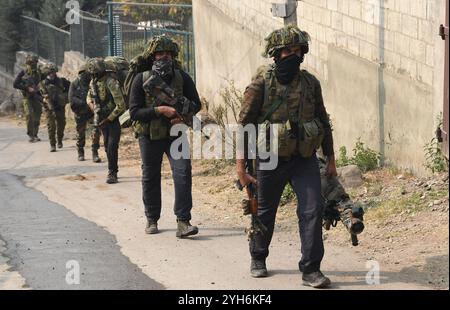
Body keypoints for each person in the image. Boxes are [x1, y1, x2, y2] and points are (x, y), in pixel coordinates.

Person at [236, 25, 337, 288]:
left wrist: (331, 159)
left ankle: (311, 269)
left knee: (313, 208)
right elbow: (244, 125)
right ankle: (258, 256)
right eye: (286, 51)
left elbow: (323, 122)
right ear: (275, 54)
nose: (293, 55)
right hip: (268, 158)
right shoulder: (260, 85)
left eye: (297, 50)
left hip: (303, 158)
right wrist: (241, 167)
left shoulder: (310, 84)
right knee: (266, 211)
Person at [129, 35, 201, 238]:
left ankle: (183, 221)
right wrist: (159, 110)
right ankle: (152, 218)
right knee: (150, 176)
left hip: (175, 134)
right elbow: (134, 112)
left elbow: (196, 104)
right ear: (153, 56)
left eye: (168, 54)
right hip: (149, 136)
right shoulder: (141, 79)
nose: (164, 57)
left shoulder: (182, 77)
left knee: (183, 172)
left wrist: (182, 117)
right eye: (160, 53)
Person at [86, 58, 126, 184]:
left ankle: (112, 172)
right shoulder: (93, 83)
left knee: (112, 146)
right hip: (101, 118)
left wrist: (109, 119)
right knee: (107, 147)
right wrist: (94, 109)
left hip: (112, 119)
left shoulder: (111, 82)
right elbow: (88, 98)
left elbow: (121, 105)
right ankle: (112, 168)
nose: (94, 75)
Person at [69, 64, 101, 162]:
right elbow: (71, 98)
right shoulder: (74, 84)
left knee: (95, 132)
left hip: (91, 113)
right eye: (84, 73)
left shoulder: (92, 83)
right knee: (80, 134)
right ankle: (80, 152)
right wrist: (83, 103)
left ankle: (95, 152)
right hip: (80, 112)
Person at [39, 63, 70, 152]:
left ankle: (59, 139)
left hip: (60, 106)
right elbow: (36, 94)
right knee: (51, 126)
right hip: (49, 107)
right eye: (50, 73)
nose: (52, 74)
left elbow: (71, 88)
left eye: (53, 72)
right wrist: (43, 99)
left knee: (61, 124)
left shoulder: (61, 81)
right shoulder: (43, 83)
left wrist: (64, 97)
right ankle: (52, 144)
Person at [13, 53, 43, 142]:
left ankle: (35, 134)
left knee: (37, 114)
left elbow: (44, 81)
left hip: (36, 97)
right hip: (27, 97)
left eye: (35, 63)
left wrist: (39, 88)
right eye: (31, 63)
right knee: (29, 115)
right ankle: (31, 135)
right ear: (28, 63)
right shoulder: (23, 73)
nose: (33, 65)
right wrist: (27, 88)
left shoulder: (38, 73)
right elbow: (15, 84)